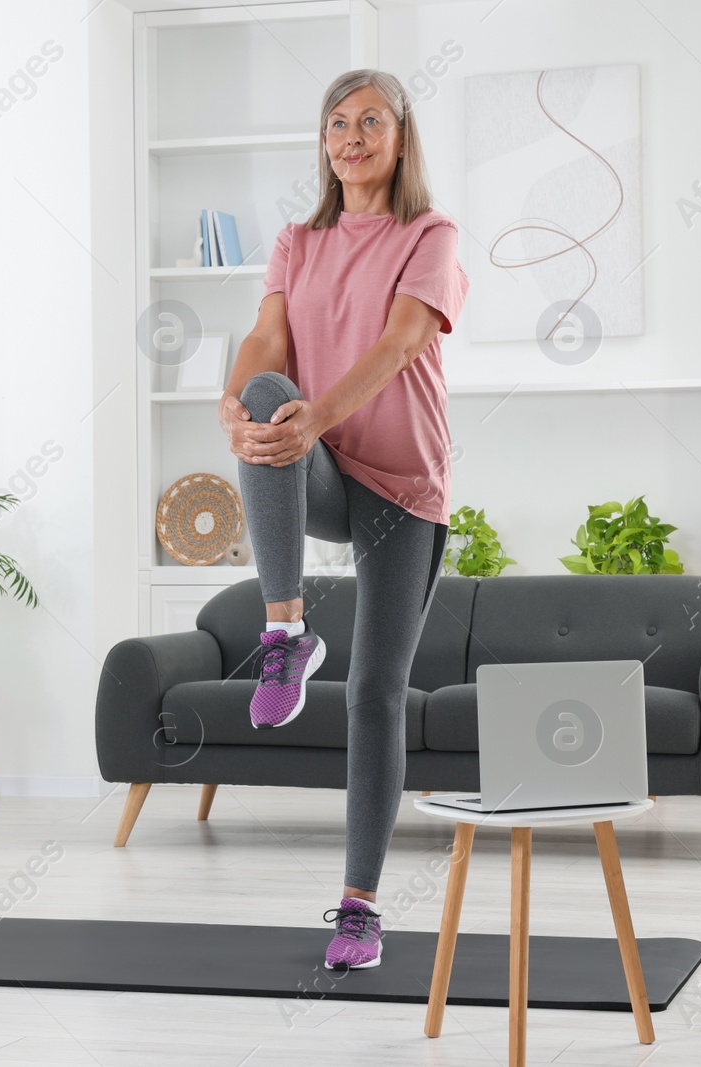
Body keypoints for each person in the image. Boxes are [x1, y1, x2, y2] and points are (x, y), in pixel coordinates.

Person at [219, 69, 468, 971]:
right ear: (322, 142)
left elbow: (403, 340)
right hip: (320, 464)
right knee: (264, 390)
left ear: (400, 137)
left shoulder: (428, 233)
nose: (351, 136)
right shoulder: (298, 239)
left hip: (402, 482)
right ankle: (284, 631)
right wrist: (231, 407)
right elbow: (265, 341)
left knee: (374, 694)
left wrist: (315, 418)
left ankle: (359, 911)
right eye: (336, 123)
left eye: (369, 121)